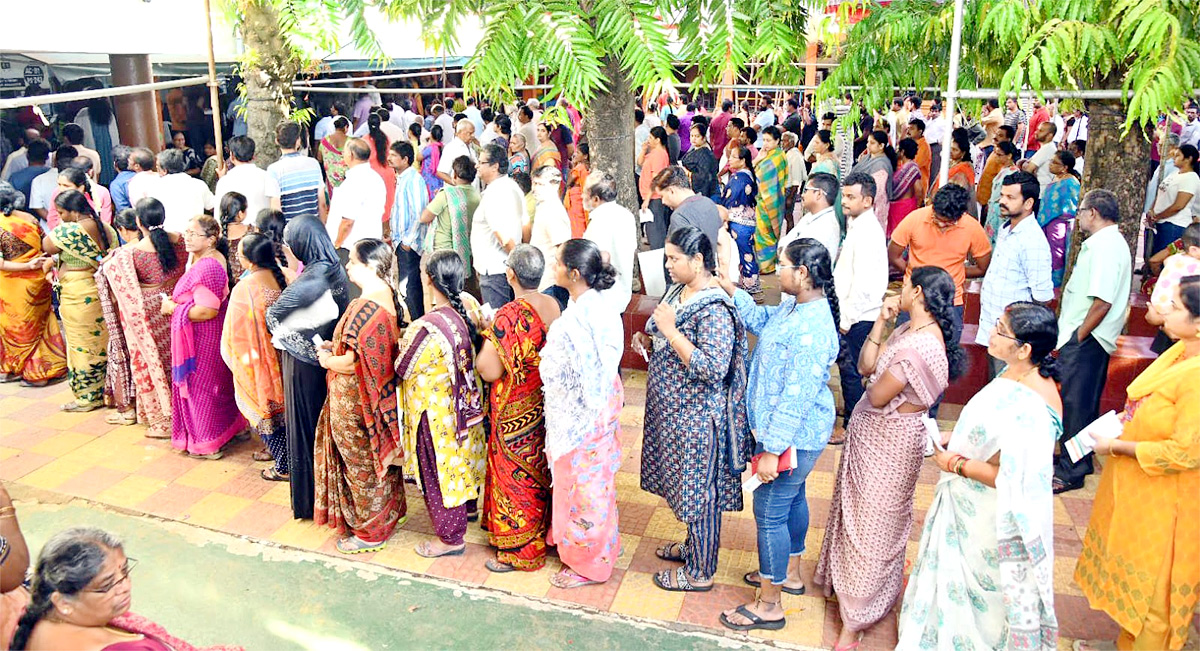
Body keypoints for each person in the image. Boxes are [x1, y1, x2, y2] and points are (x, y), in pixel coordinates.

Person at [899, 302, 1062, 651]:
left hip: (993, 517)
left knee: (984, 595)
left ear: (1025, 349)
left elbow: (1010, 476)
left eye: (1000, 329)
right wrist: (954, 436)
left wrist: (955, 463)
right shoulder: (1013, 374)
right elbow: (990, 432)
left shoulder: (1033, 404)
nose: (990, 331)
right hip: (968, 503)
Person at [815, 265, 963, 649]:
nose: (900, 288)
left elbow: (878, 394)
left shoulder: (925, 344)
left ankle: (856, 618)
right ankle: (851, 588)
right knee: (857, 515)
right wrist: (882, 323)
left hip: (892, 443)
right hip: (871, 435)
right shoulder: (905, 330)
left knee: (874, 526)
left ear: (919, 295)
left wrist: (869, 383)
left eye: (907, 284)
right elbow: (866, 365)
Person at [715, 238, 840, 632]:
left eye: (782, 265)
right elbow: (760, 320)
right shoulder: (794, 307)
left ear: (802, 274)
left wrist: (771, 450)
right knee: (792, 501)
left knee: (769, 514)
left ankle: (770, 605)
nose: (777, 271)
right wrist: (728, 287)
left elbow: (795, 398)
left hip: (790, 439)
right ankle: (791, 574)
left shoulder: (812, 329)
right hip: (790, 437)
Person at [1072, 275, 1199, 651]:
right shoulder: (1180, 352)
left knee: (1156, 598)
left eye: (1174, 307)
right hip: (1145, 494)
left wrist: (1119, 447)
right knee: (1140, 585)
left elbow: (1186, 452)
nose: (1162, 310)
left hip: (1172, 503)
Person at [636, 227, 751, 592]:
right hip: (676, 415)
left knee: (702, 496)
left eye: (674, 258)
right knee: (688, 490)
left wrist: (670, 333)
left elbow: (712, 368)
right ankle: (693, 546)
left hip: (699, 419)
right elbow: (663, 324)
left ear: (698, 260)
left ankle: (701, 571)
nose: (667, 264)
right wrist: (650, 335)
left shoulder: (715, 308)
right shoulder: (680, 290)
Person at [539, 239, 624, 588]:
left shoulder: (587, 313)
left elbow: (588, 371)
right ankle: (578, 546)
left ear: (573, 273)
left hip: (587, 413)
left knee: (587, 489)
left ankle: (588, 564)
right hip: (591, 409)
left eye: (558, 263)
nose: (553, 268)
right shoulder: (587, 307)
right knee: (586, 485)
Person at [313, 239, 406, 553]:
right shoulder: (386, 296)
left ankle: (370, 532)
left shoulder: (366, 306)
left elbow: (354, 362)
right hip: (376, 396)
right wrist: (334, 347)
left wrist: (327, 360)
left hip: (355, 400)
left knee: (360, 465)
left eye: (352, 261)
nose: (348, 266)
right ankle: (389, 515)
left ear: (368, 266)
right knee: (377, 460)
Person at [10, 527, 245, 651]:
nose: (124, 587)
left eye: (124, 572)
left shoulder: (37, 620)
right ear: (63, 602)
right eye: (107, 585)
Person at [475, 245, 562, 572]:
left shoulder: (509, 314)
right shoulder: (553, 305)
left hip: (514, 408)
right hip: (545, 402)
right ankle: (544, 531)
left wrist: (490, 334)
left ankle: (522, 548)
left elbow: (489, 369)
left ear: (510, 274)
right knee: (541, 469)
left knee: (515, 477)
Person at [397, 250, 487, 558]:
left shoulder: (426, 328)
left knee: (440, 471)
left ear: (428, 279)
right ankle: (470, 508)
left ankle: (451, 538)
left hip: (440, 415)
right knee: (466, 460)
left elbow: (402, 367)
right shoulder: (471, 307)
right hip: (469, 407)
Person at [266, 215, 350, 517]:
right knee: (322, 429)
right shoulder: (337, 265)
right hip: (329, 357)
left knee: (304, 429)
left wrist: (306, 349)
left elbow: (273, 317)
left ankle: (309, 501)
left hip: (304, 365)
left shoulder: (313, 277)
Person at [1052, 190, 1132, 494]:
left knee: (1077, 404)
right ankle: (1073, 459)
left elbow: (1102, 302)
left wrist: (1078, 336)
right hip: (1086, 336)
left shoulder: (1106, 246)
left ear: (1094, 213)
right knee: (1076, 402)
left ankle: (1072, 470)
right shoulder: (1105, 243)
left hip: (1088, 337)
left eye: (1081, 210)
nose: (1079, 216)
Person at [164, 215, 246, 459]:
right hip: (206, 333)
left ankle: (208, 442)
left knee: (201, 386)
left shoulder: (208, 265)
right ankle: (230, 429)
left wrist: (174, 309)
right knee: (216, 383)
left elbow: (207, 310)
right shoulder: (207, 258)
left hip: (202, 336)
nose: (187, 237)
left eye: (194, 234)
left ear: (211, 239)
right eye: (186, 232)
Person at [889, 184, 992, 358]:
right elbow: (894, 255)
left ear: (961, 215)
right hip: (913, 298)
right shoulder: (915, 219)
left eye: (948, 223)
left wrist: (948, 277)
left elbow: (982, 267)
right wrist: (917, 277)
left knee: (943, 357)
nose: (942, 225)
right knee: (901, 352)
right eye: (938, 219)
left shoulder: (972, 227)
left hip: (950, 303)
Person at [42, 190, 118, 412]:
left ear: (75, 212)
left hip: (77, 293)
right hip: (99, 291)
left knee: (81, 346)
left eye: (62, 212)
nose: (60, 216)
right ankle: (108, 390)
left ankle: (87, 397)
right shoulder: (107, 228)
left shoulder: (70, 230)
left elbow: (47, 246)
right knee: (102, 342)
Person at [221, 233, 288, 480]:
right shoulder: (287, 276)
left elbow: (233, 334)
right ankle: (286, 457)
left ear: (248, 260)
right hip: (287, 359)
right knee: (287, 409)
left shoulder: (245, 289)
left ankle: (283, 465)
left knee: (266, 408)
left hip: (260, 362)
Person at [977, 171, 1055, 377]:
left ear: (1028, 203)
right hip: (994, 326)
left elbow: (1043, 298)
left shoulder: (1033, 241)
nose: (1002, 201)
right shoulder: (1006, 229)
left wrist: (1020, 334)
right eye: (1002, 195)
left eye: (1010, 198)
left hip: (1014, 336)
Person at [833, 172, 888, 433]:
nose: (844, 201)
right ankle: (852, 413)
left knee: (852, 371)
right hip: (853, 312)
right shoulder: (857, 225)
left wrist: (847, 319)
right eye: (844, 196)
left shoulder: (867, 231)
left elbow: (864, 283)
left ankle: (852, 426)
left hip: (858, 315)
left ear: (867, 201)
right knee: (848, 370)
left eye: (850, 197)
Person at [0, 183, 64, 387]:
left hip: (12, 285)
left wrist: (25, 264)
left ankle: (24, 370)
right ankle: (43, 368)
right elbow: (47, 246)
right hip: (38, 279)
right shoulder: (30, 218)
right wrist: (33, 263)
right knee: (41, 323)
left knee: (16, 326)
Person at [96, 209, 139, 423]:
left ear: (121, 230)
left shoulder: (117, 257)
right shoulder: (159, 247)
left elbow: (111, 294)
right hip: (155, 315)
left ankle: (128, 409)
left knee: (122, 356)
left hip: (126, 317)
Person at [473, 144, 526, 306]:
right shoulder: (512, 186)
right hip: (505, 267)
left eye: (481, 162)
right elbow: (526, 225)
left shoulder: (495, 193)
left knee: (499, 323)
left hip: (495, 270)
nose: (477, 166)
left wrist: (516, 263)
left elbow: (503, 237)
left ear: (494, 166)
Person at [582, 173, 638, 315]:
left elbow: (593, 262)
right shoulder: (626, 215)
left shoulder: (599, 223)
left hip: (604, 298)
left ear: (595, 199)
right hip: (621, 293)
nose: (582, 197)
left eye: (584, 193)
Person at [389, 140, 429, 320]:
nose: (389, 158)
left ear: (405, 159)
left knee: (409, 285)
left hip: (408, 243)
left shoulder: (413, 179)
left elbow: (419, 212)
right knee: (407, 285)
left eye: (394, 156)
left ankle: (418, 320)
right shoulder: (402, 178)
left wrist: (407, 242)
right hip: (401, 241)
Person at [423, 156, 480, 277]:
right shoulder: (477, 196)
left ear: (454, 175)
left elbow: (425, 218)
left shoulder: (447, 194)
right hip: (467, 250)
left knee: (441, 288)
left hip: (443, 250)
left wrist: (439, 197)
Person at [325, 138, 385, 252]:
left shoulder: (354, 181)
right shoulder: (376, 177)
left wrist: (337, 244)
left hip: (350, 246)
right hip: (370, 242)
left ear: (351, 155)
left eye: (345, 151)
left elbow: (347, 221)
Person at [266, 121, 327, 223]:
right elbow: (322, 203)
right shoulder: (313, 164)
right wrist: (322, 226)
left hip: (290, 229)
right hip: (313, 226)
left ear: (277, 141)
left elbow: (276, 208)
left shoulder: (274, 170)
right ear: (298, 141)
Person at [1037, 150, 1082, 286]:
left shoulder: (1070, 182)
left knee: (1057, 255)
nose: (1051, 165)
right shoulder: (1057, 178)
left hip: (1059, 224)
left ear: (1065, 167)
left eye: (1055, 163)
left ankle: (1056, 283)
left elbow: (1072, 206)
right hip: (1049, 222)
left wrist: (1058, 217)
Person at [1148, 144, 1200, 255]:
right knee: (1152, 254)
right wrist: (1152, 210)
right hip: (1160, 221)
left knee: (1161, 259)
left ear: (1188, 159)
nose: (1174, 158)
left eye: (1178, 156)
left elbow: (1179, 205)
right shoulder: (1174, 173)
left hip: (1173, 224)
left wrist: (1158, 216)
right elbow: (1161, 192)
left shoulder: (1191, 178)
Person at [529, 165, 572, 295]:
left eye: (540, 184)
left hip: (550, 282)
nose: (535, 188)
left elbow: (562, 248)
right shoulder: (544, 205)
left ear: (554, 186)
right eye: (534, 183)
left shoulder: (553, 210)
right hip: (541, 278)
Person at [779, 172, 841, 260]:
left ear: (819, 194)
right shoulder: (810, 216)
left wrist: (785, 251)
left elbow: (798, 256)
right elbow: (784, 243)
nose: (802, 195)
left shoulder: (826, 226)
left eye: (806, 190)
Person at [149, 149, 214, 233]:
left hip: (168, 236)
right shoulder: (198, 184)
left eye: (158, 168)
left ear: (164, 170)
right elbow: (212, 206)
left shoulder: (155, 187)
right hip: (194, 234)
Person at [752, 126, 788, 274]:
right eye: (764, 140)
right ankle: (768, 264)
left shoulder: (774, 159)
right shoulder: (772, 155)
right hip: (772, 201)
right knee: (766, 233)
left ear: (777, 141)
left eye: (769, 140)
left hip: (768, 202)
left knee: (765, 233)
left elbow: (756, 176)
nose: (765, 143)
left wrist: (758, 161)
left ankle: (766, 266)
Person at [214, 136, 269, 231]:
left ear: (231, 156)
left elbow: (219, 214)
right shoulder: (267, 177)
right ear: (253, 156)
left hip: (237, 233)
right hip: (264, 231)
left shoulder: (225, 181)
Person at [849, 130, 893, 231]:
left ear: (881, 146)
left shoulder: (881, 165)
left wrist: (862, 203)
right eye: (868, 142)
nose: (868, 145)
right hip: (859, 202)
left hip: (872, 208)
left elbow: (878, 192)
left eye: (872, 143)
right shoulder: (868, 157)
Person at [983, 141, 1022, 243]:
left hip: (1002, 211)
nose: (996, 157)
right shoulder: (1004, 169)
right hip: (994, 210)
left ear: (1009, 156)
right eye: (995, 153)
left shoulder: (1013, 172)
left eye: (999, 155)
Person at [888, 138, 926, 237]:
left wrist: (918, 206)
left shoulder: (912, 168)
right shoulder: (906, 167)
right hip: (900, 207)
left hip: (904, 207)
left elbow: (919, 189)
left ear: (903, 151)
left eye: (898, 149)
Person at [681, 122, 719, 201]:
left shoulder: (706, 155)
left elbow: (704, 177)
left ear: (703, 138)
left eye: (697, 136)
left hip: (703, 193)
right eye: (692, 136)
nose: (693, 139)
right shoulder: (694, 149)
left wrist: (688, 173)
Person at [217, 192, 251, 282]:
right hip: (248, 283)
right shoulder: (252, 231)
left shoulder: (215, 234)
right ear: (240, 213)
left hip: (223, 283)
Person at [420, 124, 445, 200]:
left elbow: (419, 157)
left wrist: (426, 144)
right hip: (439, 174)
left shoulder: (430, 148)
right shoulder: (442, 147)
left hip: (429, 174)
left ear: (431, 135)